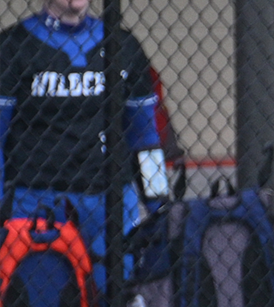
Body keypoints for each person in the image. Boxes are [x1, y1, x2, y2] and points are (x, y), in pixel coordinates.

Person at [0, 0, 169, 275]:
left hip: (112, 201)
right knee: (43, 294)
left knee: (117, 291)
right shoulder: (13, 47)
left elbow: (144, 137)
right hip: (36, 202)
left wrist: (161, 206)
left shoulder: (123, 45)